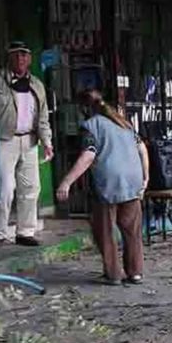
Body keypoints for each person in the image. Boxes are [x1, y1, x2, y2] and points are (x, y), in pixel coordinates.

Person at [56, 90, 149, 286]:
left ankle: (114, 274)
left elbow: (89, 155)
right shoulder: (125, 124)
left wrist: (67, 182)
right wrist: (145, 177)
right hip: (133, 179)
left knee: (104, 229)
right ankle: (135, 272)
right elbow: (142, 149)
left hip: (109, 182)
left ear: (84, 109)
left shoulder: (91, 125)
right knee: (132, 229)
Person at [0, 41, 53, 247]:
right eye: (16, 55)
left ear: (29, 59)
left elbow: (42, 117)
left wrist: (47, 141)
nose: (21, 59)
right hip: (3, 139)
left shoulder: (37, 85)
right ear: (9, 58)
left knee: (31, 187)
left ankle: (25, 232)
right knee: (4, 188)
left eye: (24, 55)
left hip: (30, 140)